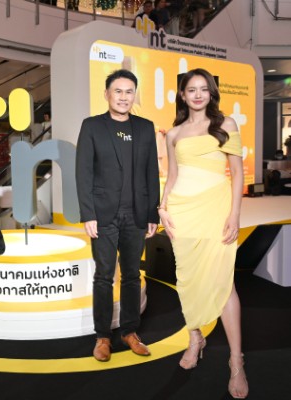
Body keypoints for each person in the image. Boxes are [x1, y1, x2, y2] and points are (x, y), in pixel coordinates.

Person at [158, 68, 248, 399]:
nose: (198, 94)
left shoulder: (226, 125)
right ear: (182, 95)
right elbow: (172, 176)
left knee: (224, 283)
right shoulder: (174, 133)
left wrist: (234, 214)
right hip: (182, 213)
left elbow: (237, 173)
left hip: (216, 211)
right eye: (191, 89)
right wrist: (162, 207)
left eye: (203, 89)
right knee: (188, 279)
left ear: (211, 93)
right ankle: (195, 337)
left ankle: (236, 361)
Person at [76, 69, 160, 362]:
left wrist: (152, 213)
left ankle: (129, 331)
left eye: (129, 92)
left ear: (134, 95)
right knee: (103, 276)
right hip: (103, 215)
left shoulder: (145, 127)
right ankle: (102, 336)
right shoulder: (92, 126)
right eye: (118, 91)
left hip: (136, 215)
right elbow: (83, 172)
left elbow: (151, 172)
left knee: (132, 275)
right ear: (107, 94)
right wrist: (88, 213)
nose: (124, 97)